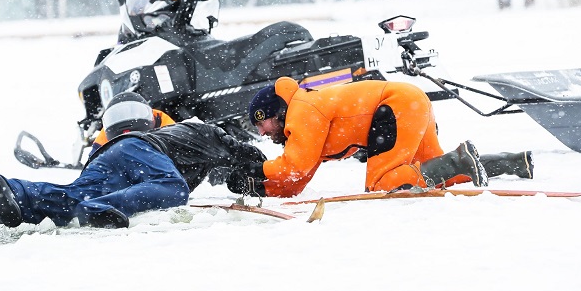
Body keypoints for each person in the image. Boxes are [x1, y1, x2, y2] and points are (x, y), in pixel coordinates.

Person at [0, 92, 265, 229]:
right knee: (174, 188)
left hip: (107, 155)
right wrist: (261, 180)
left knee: (74, 198)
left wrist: (238, 179)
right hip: (135, 149)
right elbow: (248, 155)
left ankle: (11, 193)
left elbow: (226, 172)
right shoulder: (207, 132)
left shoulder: (188, 147)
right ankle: (101, 207)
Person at [228, 77, 532, 198]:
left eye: (262, 123)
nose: (262, 132)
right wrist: (261, 189)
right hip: (408, 102)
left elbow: (293, 166)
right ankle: (511, 163)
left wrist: (257, 169)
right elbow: (299, 177)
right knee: (432, 171)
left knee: (383, 185)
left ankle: (460, 160)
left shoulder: (302, 111)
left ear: (278, 111)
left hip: (395, 106)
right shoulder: (306, 115)